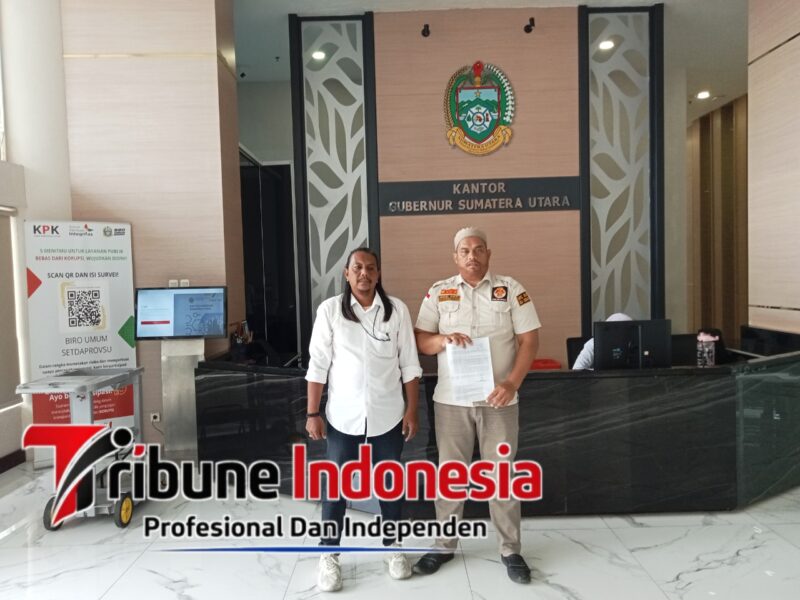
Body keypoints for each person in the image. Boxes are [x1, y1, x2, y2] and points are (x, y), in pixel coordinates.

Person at [412, 227, 541, 584]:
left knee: (502, 476)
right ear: (455, 257)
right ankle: (444, 546)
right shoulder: (439, 291)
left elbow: (529, 340)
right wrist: (442, 339)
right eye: (465, 250)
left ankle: (510, 550)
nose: (472, 256)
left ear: (488, 254)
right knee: (450, 475)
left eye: (479, 249)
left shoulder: (511, 289)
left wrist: (511, 383)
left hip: (499, 401)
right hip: (451, 401)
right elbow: (421, 340)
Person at [305, 247, 422, 593]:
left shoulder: (396, 310)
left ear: (378, 273)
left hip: (388, 415)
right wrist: (312, 413)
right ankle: (329, 554)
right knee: (336, 487)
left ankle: (393, 547)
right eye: (357, 268)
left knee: (390, 485)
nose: (364, 274)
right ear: (346, 273)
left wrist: (412, 410)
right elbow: (318, 364)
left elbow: (409, 364)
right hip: (343, 417)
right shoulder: (330, 311)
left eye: (370, 268)